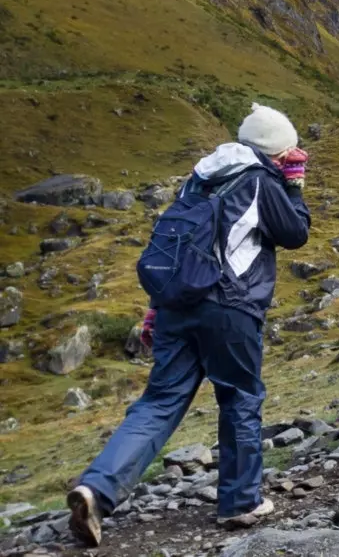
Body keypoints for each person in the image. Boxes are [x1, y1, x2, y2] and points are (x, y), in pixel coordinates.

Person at [68, 105, 311, 547]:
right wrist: (293, 186)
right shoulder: (260, 180)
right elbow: (295, 233)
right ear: (276, 151)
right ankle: (241, 502)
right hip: (229, 305)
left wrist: (155, 308)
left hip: (176, 306)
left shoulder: (199, 177)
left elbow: (179, 246)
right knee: (239, 395)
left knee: (159, 401)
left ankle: (96, 489)